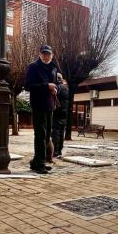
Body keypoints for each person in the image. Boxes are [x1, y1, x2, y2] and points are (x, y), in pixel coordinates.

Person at [25, 45, 61, 174]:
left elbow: (58, 84)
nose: (46, 56)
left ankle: (37, 161)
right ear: (40, 54)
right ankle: (39, 164)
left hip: (50, 105)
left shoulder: (54, 68)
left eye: (48, 54)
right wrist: (46, 86)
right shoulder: (33, 67)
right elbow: (28, 86)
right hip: (38, 105)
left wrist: (56, 88)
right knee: (40, 134)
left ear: (52, 55)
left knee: (46, 135)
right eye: (44, 54)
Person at [51, 73, 69, 159]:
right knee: (61, 132)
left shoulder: (58, 87)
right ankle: (59, 151)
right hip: (64, 112)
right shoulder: (66, 88)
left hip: (57, 112)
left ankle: (55, 152)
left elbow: (53, 95)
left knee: (56, 132)